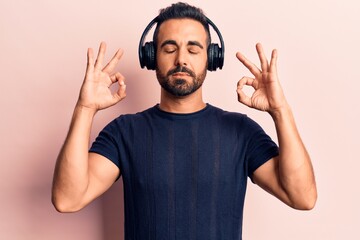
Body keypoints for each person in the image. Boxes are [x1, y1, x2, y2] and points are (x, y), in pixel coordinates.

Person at [52, 2, 317, 239]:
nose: (181, 60)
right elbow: (67, 199)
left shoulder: (241, 132)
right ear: (151, 57)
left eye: (193, 49)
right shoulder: (125, 132)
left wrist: (280, 111)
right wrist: (84, 108)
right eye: (169, 49)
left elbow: (302, 197)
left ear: (211, 58)